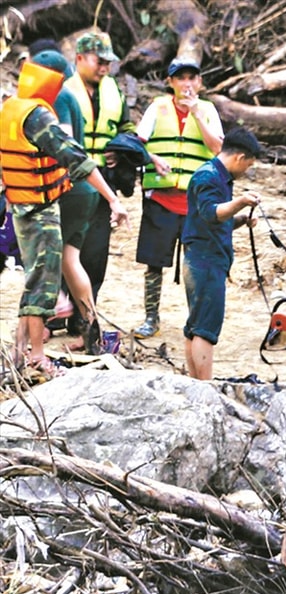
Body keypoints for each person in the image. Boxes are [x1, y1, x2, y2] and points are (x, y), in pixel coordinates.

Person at [2, 50, 129, 373]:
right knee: (44, 285)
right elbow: (77, 158)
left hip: (21, 205)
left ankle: (20, 351)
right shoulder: (37, 115)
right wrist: (112, 199)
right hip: (40, 210)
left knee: (38, 280)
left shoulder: (10, 108)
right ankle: (38, 355)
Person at [133, 57, 222, 338]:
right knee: (153, 262)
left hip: (195, 203)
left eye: (191, 78)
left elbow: (218, 148)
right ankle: (151, 317)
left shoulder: (207, 110)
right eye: (180, 78)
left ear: (200, 82)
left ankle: (195, 320)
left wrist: (196, 114)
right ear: (170, 83)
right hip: (161, 197)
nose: (186, 84)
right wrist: (153, 158)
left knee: (196, 264)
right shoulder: (157, 108)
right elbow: (135, 145)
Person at [55, 32, 127, 338]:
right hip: (66, 186)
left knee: (95, 254)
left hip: (101, 185)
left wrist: (121, 147)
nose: (105, 69)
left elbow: (128, 127)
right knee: (62, 251)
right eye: (100, 61)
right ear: (81, 59)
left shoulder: (114, 91)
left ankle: (84, 318)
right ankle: (54, 314)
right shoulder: (62, 91)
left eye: (109, 63)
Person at [178, 128, 261, 380]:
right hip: (204, 259)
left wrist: (240, 219)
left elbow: (217, 219)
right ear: (239, 157)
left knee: (196, 324)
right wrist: (241, 202)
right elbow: (210, 212)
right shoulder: (209, 177)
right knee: (205, 328)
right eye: (249, 164)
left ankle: (197, 382)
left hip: (205, 256)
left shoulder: (219, 177)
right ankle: (206, 385)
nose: (247, 169)